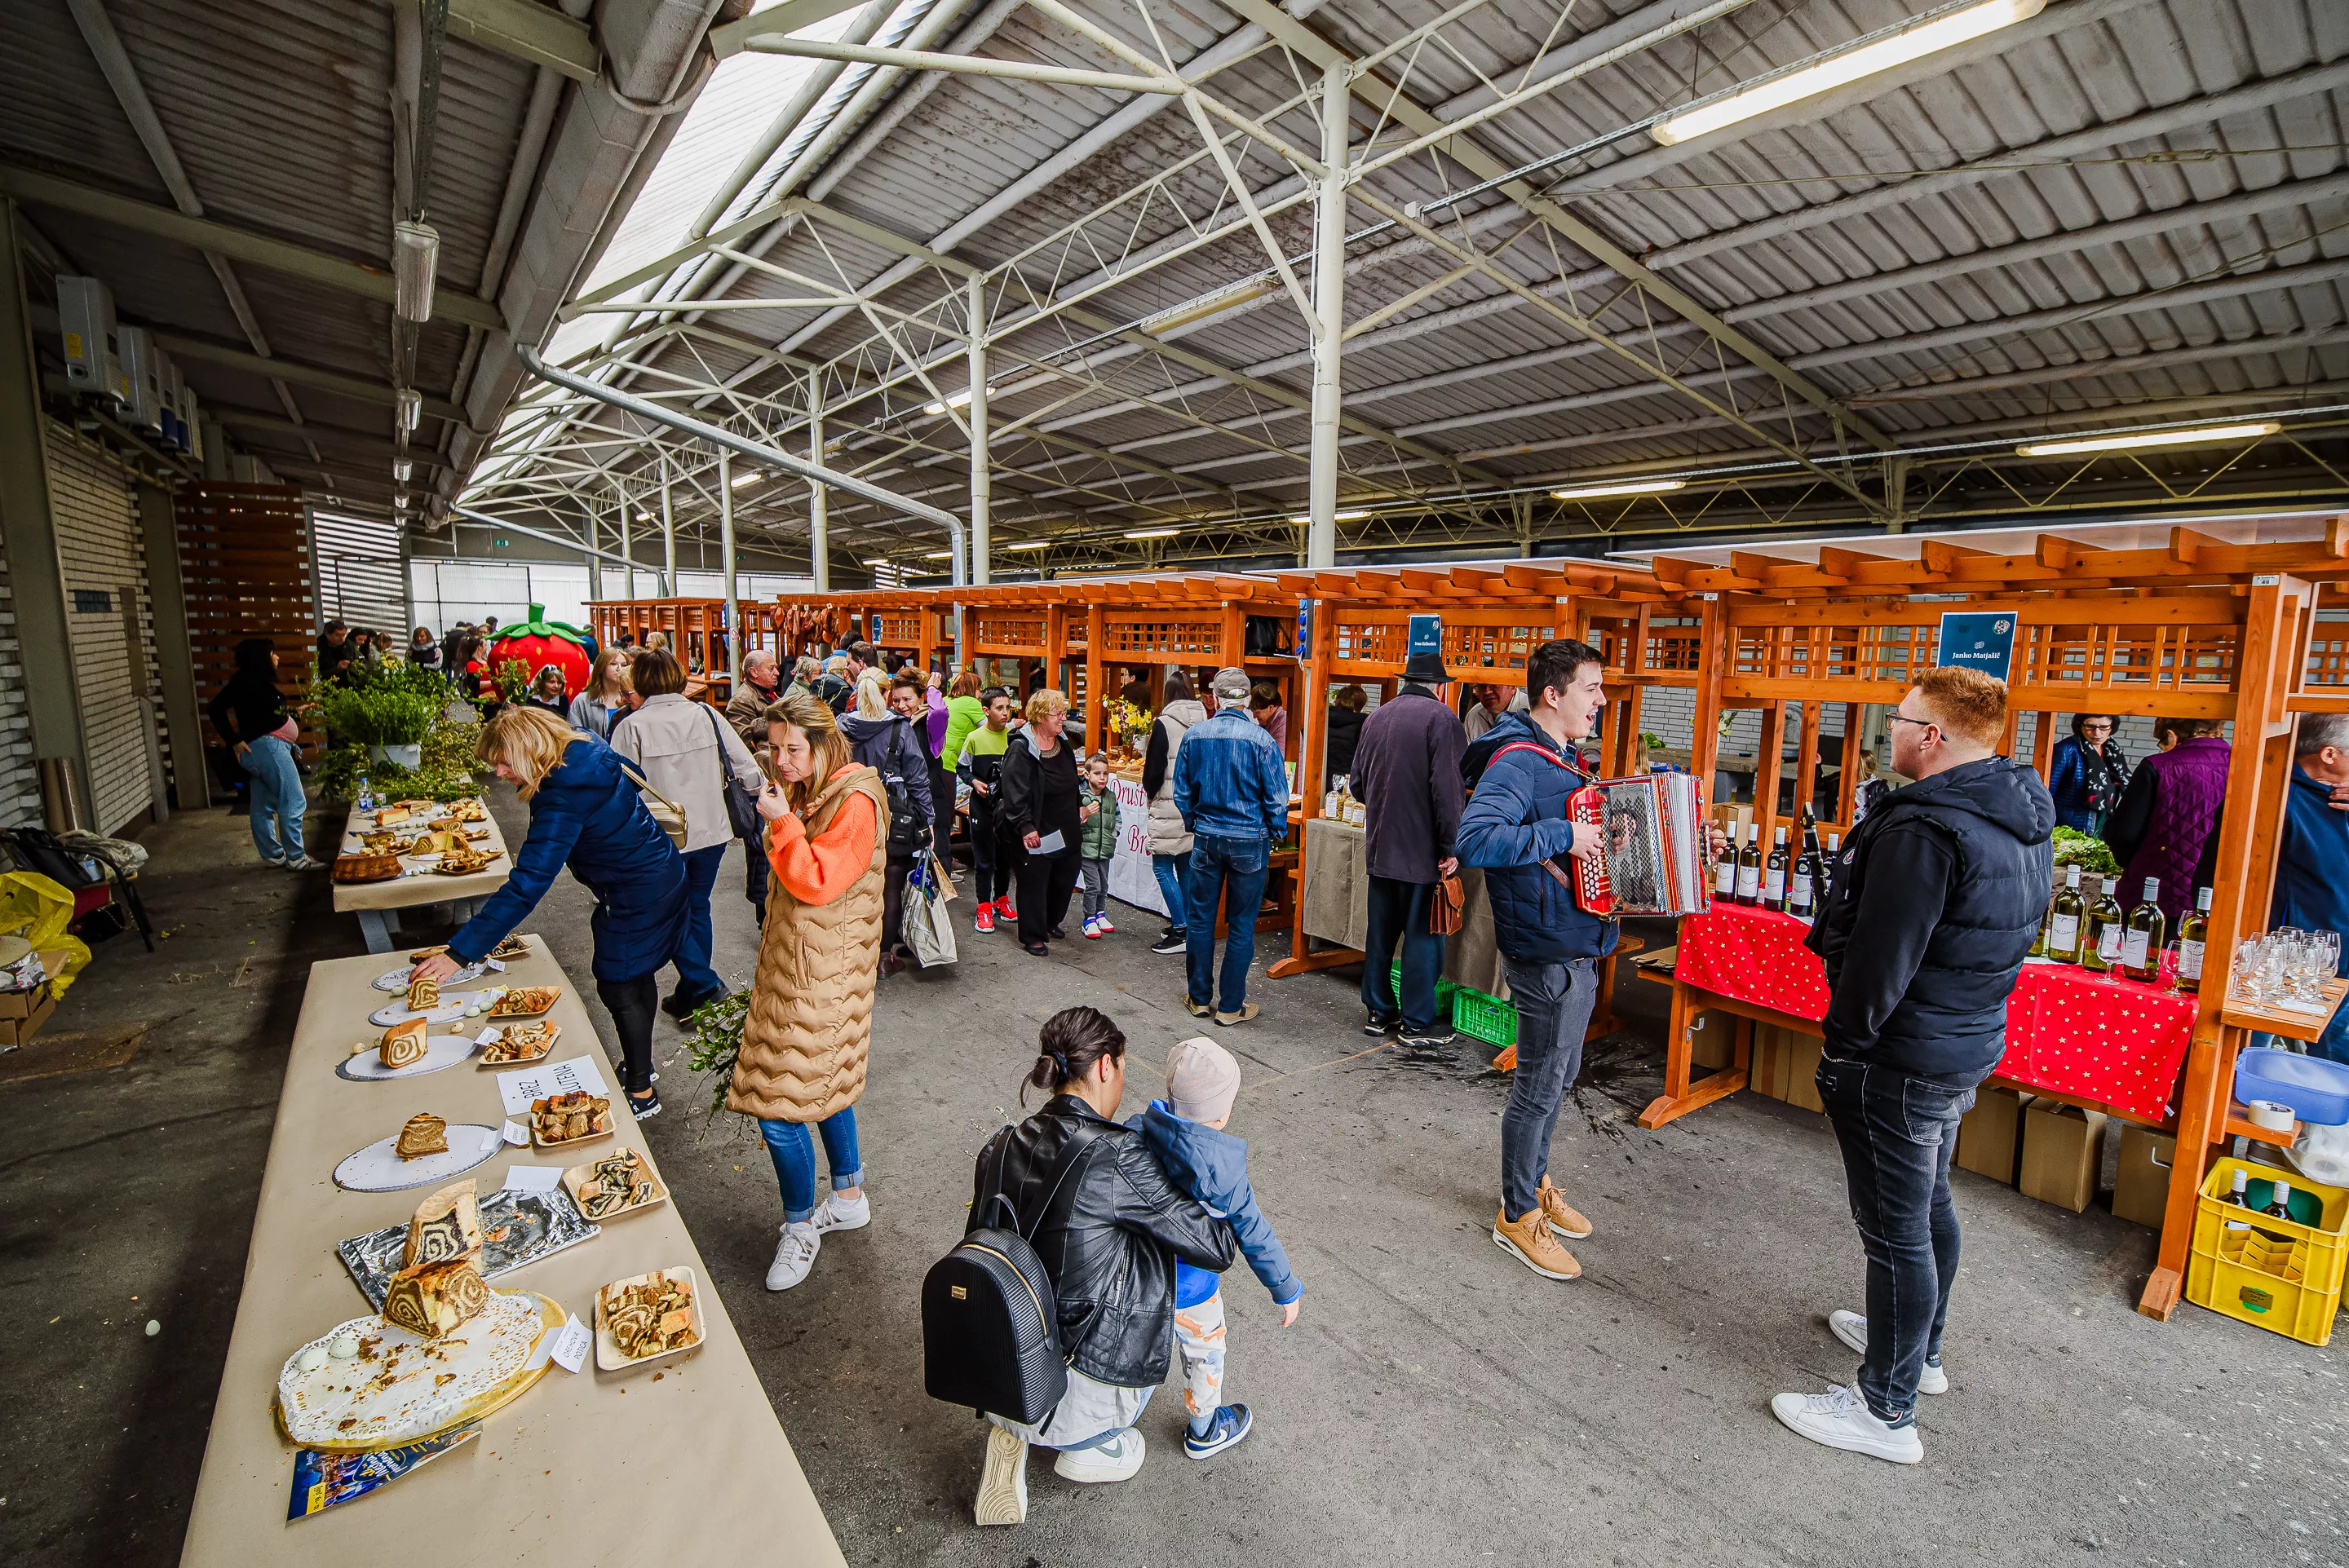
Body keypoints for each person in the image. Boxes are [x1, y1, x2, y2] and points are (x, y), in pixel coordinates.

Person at [1775, 666, 2052, 1466]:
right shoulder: (2014, 812)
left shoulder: (1926, 829)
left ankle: (1884, 1411)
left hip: (1901, 1056)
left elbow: (1878, 963)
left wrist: (1844, 1044)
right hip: (1959, 1042)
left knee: (1896, 1234)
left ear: (1931, 736)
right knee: (1928, 1209)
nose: (1886, 735)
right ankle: (1919, 1349)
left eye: (1896, 721)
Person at [967, 1007, 1236, 1526]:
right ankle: (1089, 1447)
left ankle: (1013, 1430)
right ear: (1106, 1067)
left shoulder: (998, 1146)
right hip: (1080, 1376)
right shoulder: (1119, 1156)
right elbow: (1216, 1247)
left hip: (1002, 1367)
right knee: (1143, 1253)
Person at [410, 707, 686, 1120]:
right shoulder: (581, 745)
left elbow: (529, 882)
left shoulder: (562, 792)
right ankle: (639, 1065)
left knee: (618, 983)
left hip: (637, 891)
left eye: (504, 762)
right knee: (633, 975)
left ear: (528, 751)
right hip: (656, 873)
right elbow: (622, 771)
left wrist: (459, 952)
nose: (500, 773)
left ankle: (641, 1091)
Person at [1455, 639, 1623, 1283]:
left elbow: (1572, 834)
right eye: (1591, 688)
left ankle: (1534, 1179)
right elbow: (1476, 838)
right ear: (1553, 694)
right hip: (1545, 949)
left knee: (1560, 1073)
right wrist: (1564, 835)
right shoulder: (1520, 759)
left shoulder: (1565, 759)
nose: (1600, 700)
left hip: (1574, 940)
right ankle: (1518, 1212)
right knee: (1539, 1083)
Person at [728, 693, 887, 1292]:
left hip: (817, 981)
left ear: (825, 745)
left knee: (779, 1108)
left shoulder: (855, 801)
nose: (781, 759)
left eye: (793, 747)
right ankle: (847, 1196)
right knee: (826, 1086)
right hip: (807, 971)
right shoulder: (815, 791)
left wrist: (780, 822)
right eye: (774, 747)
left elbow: (818, 881)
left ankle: (800, 1227)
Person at [1135, 1036, 1302, 1460]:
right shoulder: (1223, 1172)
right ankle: (1204, 1428)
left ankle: (1115, 1416)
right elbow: (1253, 1231)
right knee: (1205, 1351)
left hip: (1137, 1277)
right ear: (1223, 1113)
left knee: (1136, 1343)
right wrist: (1285, 1288)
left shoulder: (1137, 1130)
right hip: (1195, 1287)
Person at [608, 648, 764, 1019]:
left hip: (660, 836)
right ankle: (691, 992)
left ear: (640, 682)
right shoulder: (707, 714)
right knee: (697, 906)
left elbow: (618, 786)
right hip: (711, 831)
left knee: (669, 913)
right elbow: (746, 767)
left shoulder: (632, 726)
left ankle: (706, 983)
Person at [1351, 647, 1466, 1046]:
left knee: (1380, 937)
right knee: (1422, 937)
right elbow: (1448, 792)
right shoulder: (1442, 720)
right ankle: (1417, 1023)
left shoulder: (1377, 717)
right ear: (1439, 687)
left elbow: (1357, 786)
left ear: (1405, 681)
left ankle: (1378, 1012)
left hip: (1381, 847)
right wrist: (1452, 846)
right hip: (1423, 853)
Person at [1171, 668, 1291, 1025]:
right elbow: (1277, 797)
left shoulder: (1196, 735)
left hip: (1207, 835)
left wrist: (1195, 822)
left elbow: (1182, 791)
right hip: (1249, 839)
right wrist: (1274, 831)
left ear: (1216, 698)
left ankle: (1199, 998)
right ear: (1248, 699)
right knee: (1241, 925)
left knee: (1201, 919)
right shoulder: (1261, 740)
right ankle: (1230, 1007)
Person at [841, 672, 940, 973]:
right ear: (886, 695)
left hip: (848, 811)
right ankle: (884, 958)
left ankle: (851, 949)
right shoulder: (899, 728)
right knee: (891, 885)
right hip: (891, 817)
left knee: (850, 885)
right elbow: (918, 778)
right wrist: (929, 819)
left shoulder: (841, 727)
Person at [2271, 714, 2349, 1062]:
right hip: (2305, 956)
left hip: (2335, 947)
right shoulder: (2278, 796)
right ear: (2329, 755)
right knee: (2328, 1058)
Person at [2103, 716, 2227, 930]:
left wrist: (2129, 862)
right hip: (2221, 896)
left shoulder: (2158, 765)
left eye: (2162, 743)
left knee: (2141, 955)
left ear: (2171, 735)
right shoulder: (2245, 764)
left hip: (2155, 891)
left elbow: (2123, 832)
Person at [210, 637, 315, 868]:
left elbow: (262, 716)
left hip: (265, 748)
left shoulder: (254, 681)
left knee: (263, 803)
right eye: (272, 654)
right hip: (268, 749)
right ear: (261, 658)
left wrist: (293, 715)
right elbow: (215, 709)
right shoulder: (246, 681)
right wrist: (234, 741)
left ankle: (274, 855)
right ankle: (297, 858)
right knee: (294, 800)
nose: (277, 658)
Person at [999, 687, 1083, 956]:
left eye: (1063, 712)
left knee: (1065, 877)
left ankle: (1050, 921)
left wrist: (1080, 802)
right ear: (1038, 716)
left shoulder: (1063, 744)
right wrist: (1025, 826)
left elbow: (1072, 779)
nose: (1063, 718)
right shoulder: (1021, 749)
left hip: (1067, 827)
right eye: (1057, 714)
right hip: (1038, 828)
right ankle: (1033, 935)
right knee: (1034, 882)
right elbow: (1015, 791)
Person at [1141, 673, 1208, 956]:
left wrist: (1149, 792)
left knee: (1162, 867)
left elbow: (1153, 770)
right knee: (1185, 866)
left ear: (1167, 695)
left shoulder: (1163, 724)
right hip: (1193, 803)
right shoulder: (1205, 721)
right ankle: (1190, 926)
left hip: (1167, 803)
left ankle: (1181, 929)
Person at [958, 686, 1016, 932]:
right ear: (986, 711)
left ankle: (1001, 898)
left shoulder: (1014, 738)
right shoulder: (974, 738)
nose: (1005, 713)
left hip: (1008, 808)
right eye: (999, 708)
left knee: (1005, 857)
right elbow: (962, 768)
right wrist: (974, 782)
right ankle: (982, 906)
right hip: (981, 806)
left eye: (1007, 708)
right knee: (984, 859)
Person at [2047, 713, 2129, 835]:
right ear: (2080, 726)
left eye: (2104, 727)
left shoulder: (2113, 751)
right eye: (2090, 727)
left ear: (2112, 728)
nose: (2097, 733)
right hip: (2069, 826)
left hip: (2101, 824)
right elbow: (2048, 791)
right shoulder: (2066, 750)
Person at [1077, 753, 1120, 939]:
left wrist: (1113, 834)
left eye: (1105, 774)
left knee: (1103, 884)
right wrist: (1082, 818)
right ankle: (1089, 918)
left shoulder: (1110, 797)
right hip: (1086, 848)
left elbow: (1117, 817)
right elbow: (1073, 820)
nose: (1102, 778)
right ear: (1087, 775)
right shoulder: (1082, 797)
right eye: (1097, 773)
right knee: (1092, 885)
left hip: (1105, 848)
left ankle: (1100, 913)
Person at [569, 647, 632, 739]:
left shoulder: (633, 698)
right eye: (613, 664)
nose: (619, 669)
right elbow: (573, 734)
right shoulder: (582, 701)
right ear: (601, 668)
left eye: (624, 665)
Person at [728, 650, 784, 745]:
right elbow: (746, 740)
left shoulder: (768, 693)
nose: (777, 673)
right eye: (771, 668)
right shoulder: (742, 701)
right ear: (754, 672)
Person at [1323, 684, 1368, 787]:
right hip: (1349, 782)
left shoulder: (1323, 718)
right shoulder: (1363, 725)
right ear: (1359, 706)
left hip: (1321, 779)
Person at [1461, 682, 1527, 743]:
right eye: (1482, 686)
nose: (1487, 691)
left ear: (1512, 687)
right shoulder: (1474, 715)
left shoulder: (1531, 712)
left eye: (1494, 685)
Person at [1248, 682, 1287, 753]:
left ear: (1271, 708)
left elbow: (1277, 758)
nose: (1254, 716)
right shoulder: (1266, 722)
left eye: (1257, 712)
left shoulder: (1284, 724)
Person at [316, 619, 356, 687]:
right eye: (337, 635)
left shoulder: (349, 645)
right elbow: (317, 674)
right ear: (327, 634)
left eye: (344, 635)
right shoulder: (318, 647)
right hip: (326, 686)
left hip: (347, 686)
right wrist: (336, 669)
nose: (342, 639)